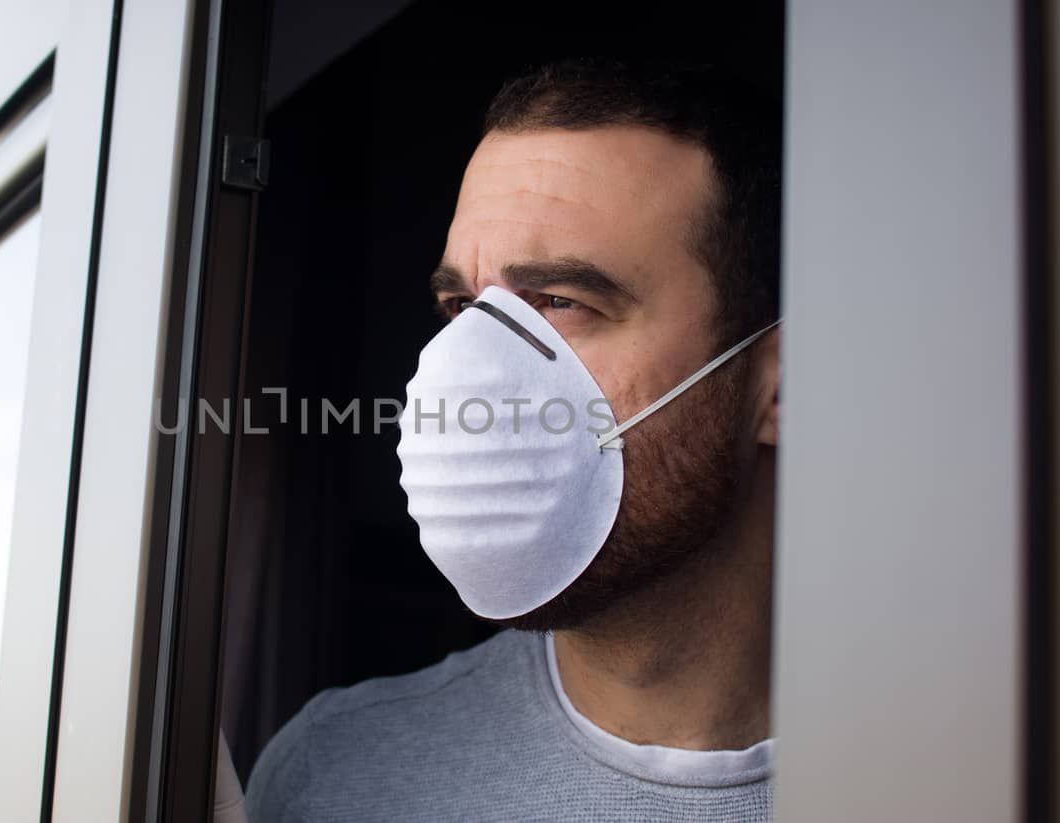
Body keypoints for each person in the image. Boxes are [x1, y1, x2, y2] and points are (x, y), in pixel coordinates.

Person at [246, 58, 782, 822]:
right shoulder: (333, 774)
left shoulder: (972, 762)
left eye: (561, 301)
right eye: (463, 303)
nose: (477, 370)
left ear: (778, 379)